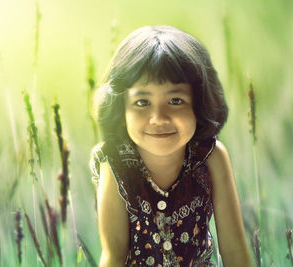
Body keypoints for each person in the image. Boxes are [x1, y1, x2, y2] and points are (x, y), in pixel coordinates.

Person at [90, 26, 252, 267]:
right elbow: (113, 255)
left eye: (176, 100)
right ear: (120, 107)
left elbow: (235, 250)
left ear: (199, 104)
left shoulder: (211, 157)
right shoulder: (114, 164)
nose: (159, 118)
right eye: (142, 102)